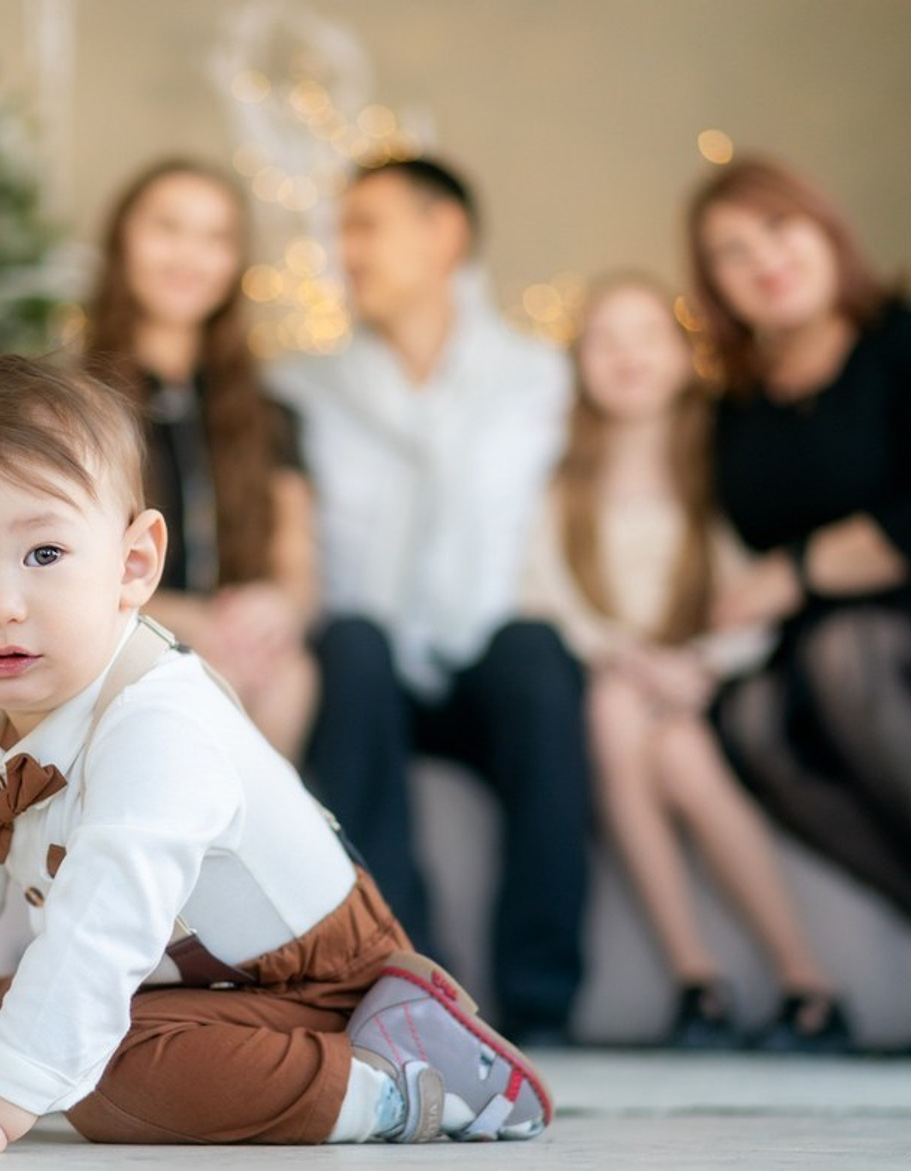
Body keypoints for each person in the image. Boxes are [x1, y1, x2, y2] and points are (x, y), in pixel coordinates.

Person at [0, 357, 551, 1156]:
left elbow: (99, 932)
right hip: (171, 983)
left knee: (100, 1075)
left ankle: (398, 1074)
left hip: (308, 983)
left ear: (134, 565)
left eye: (43, 555)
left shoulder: (159, 720)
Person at [272, 157, 591, 1045]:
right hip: (370, 677)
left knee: (537, 655)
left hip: (483, 668)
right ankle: (417, 980)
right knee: (352, 641)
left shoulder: (545, 384)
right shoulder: (305, 390)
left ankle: (543, 1003)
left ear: (444, 232)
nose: (347, 252)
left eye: (367, 226)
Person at [521, 275, 850, 1051]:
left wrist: (702, 666)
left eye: (647, 337)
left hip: (716, 682)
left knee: (679, 745)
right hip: (619, 681)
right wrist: (622, 657)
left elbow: (753, 591)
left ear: (683, 356)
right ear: (580, 364)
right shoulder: (562, 477)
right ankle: (697, 977)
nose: (627, 356)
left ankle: (804, 981)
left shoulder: (724, 463)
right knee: (620, 713)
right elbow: (547, 595)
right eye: (605, 340)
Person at [84, 159, 414, 923]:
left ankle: (224, 915)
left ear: (235, 264)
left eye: (214, 237)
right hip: (122, 633)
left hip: (232, 645)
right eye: (167, 228)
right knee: (215, 680)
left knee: (290, 670)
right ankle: (200, 915)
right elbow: (63, 567)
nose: (188, 255)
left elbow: (298, 565)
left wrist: (277, 604)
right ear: (123, 242)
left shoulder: (268, 411)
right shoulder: (70, 401)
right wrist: (192, 621)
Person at [688, 156, 911, 941]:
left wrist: (799, 569)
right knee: (744, 720)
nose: (765, 261)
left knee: (846, 657)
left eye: (778, 227)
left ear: (824, 228)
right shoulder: (735, 412)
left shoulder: (897, 340)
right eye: (732, 252)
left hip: (881, 635)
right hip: (808, 649)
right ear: (716, 288)